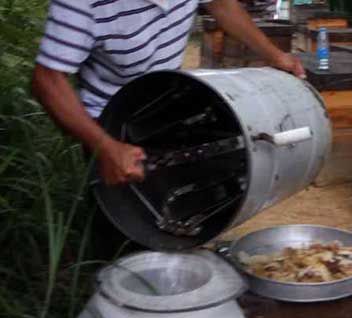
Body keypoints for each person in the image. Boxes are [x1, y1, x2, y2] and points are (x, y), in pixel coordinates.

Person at [31, 0, 305, 186]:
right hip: (111, 124)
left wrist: (275, 55)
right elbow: (47, 80)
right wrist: (105, 148)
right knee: (125, 236)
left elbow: (222, 4)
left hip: (168, 107)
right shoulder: (82, 4)